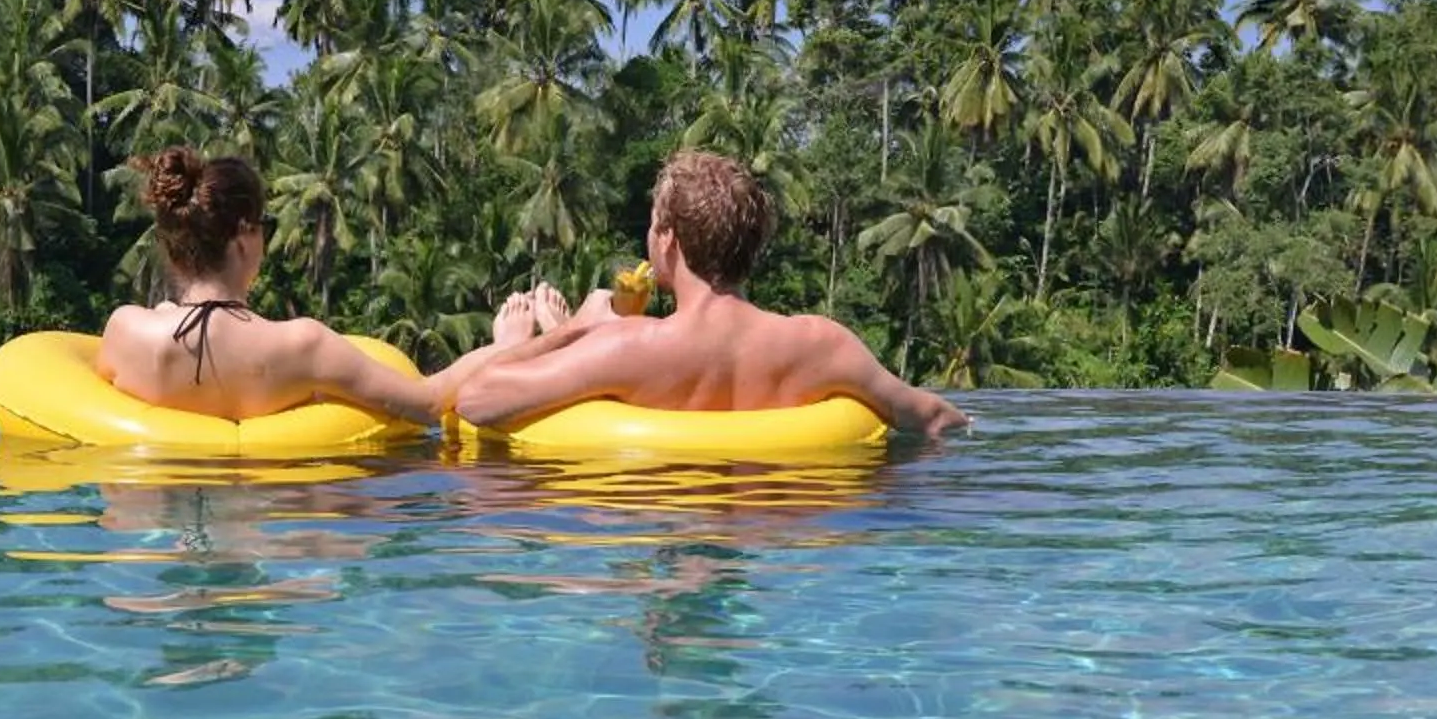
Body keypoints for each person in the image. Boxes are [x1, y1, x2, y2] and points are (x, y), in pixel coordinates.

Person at [446, 151, 972, 436]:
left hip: (655, 525)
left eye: (654, 225)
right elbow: (936, 418)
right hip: (776, 548)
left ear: (669, 241)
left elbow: (476, 401)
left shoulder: (630, 346)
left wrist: (579, 328)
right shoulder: (821, 344)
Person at [98, 146, 551, 424]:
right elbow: (429, 402)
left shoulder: (124, 331)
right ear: (243, 237)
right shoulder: (302, 345)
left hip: (150, 557)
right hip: (270, 547)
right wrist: (505, 344)